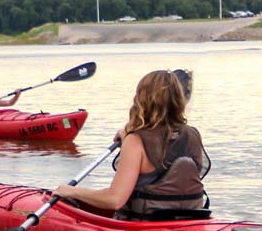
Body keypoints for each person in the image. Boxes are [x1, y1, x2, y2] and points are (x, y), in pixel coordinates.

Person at [53, 70, 208, 221]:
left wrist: (72, 192)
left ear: (142, 99)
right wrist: (128, 137)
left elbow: (115, 199)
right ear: (178, 99)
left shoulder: (136, 141)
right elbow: (166, 151)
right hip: (190, 219)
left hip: (146, 224)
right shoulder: (192, 135)